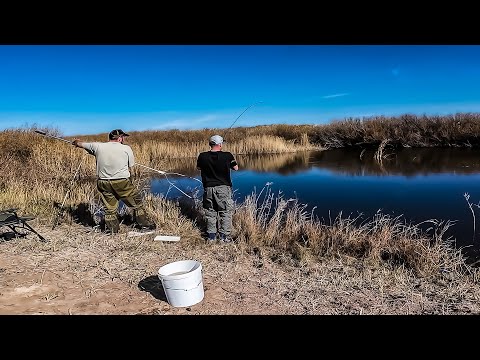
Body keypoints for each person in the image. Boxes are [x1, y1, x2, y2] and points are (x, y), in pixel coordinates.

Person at [72, 129, 155, 234]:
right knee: (137, 203)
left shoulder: (97, 146)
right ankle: (145, 226)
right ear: (120, 138)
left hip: (103, 183)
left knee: (109, 208)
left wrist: (76, 142)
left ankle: (112, 230)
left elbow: (80, 144)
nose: (124, 139)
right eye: (123, 137)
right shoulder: (126, 148)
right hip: (122, 183)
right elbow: (131, 166)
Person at [196, 134, 239, 242]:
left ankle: (211, 237)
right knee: (225, 212)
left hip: (209, 189)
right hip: (223, 189)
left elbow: (198, 168)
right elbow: (236, 168)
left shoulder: (202, 156)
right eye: (222, 143)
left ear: (211, 144)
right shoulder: (227, 155)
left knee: (210, 213)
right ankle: (224, 237)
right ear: (220, 144)